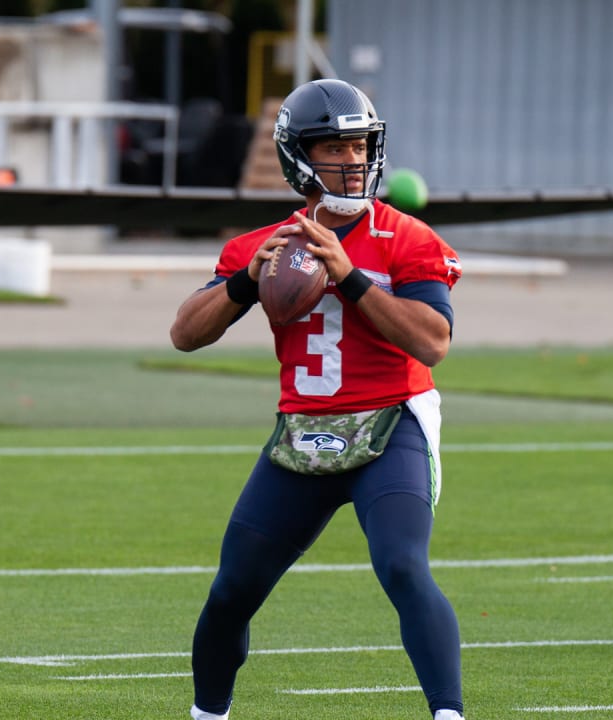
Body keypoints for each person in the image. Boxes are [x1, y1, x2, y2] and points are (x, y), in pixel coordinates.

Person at [170, 78, 465, 719]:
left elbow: (434, 341)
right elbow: (184, 333)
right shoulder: (262, 247)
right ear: (299, 156)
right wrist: (245, 285)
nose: (353, 160)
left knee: (403, 567)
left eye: (360, 145)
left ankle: (449, 715)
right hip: (301, 430)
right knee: (232, 591)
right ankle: (207, 715)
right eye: (334, 146)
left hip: (391, 425)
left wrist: (351, 277)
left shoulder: (407, 239)